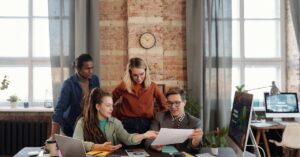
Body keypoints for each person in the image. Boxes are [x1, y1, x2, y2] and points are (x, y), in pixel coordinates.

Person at [73, 88, 158, 152]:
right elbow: (76, 144)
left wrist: (144, 135)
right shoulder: (82, 122)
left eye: (112, 105)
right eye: (108, 105)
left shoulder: (115, 123)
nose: (111, 109)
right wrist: (99, 147)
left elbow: (128, 138)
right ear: (98, 106)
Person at [112, 57, 167, 136]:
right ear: (130, 73)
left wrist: (159, 121)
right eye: (135, 75)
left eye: (141, 74)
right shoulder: (123, 86)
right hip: (127, 125)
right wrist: (116, 117)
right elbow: (109, 102)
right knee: (129, 148)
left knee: (149, 147)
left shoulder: (152, 86)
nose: (139, 78)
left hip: (147, 124)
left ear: (146, 71)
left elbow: (164, 105)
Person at [51, 54, 100, 137]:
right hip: (70, 128)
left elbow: (97, 101)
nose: (91, 71)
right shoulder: (68, 84)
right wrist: (53, 136)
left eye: (92, 68)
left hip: (89, 127)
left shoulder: (95, 80)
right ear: (78, 69)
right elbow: (59, 109)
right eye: (87, 68)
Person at [145, 87, 203, 153]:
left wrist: (195, 143)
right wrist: (153, 145)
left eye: (177, 103)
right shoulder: (159, 116)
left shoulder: (195, 122)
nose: (173, 106)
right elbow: (148, 140)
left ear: (184, 103)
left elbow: (195, 150)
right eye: (170, 103)